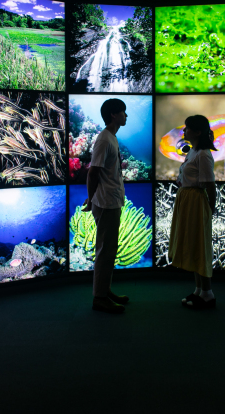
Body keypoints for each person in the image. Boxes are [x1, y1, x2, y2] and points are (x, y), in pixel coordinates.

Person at [83, 98, 130, 314]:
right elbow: (93, 172)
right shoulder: (104, 139)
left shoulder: (111, 138)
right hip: (107, 203)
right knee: (105, 250)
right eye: (123, 112)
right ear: (114, 114)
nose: (126, 116)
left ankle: (105, 290)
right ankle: (99, 298)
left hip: (111, 200)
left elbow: (104, 170)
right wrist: (90, 198)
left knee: (109, 249)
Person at [169, 115, 217, 309]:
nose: (184, 131)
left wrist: (209, 211)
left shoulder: (204, 154)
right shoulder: (194, 151)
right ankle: (199, 290)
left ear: (197, 132)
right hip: (188, 201)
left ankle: (207, 293)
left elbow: (210, 186)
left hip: (196, 203)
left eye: (187, 128)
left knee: (199, 245)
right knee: (193, 243)